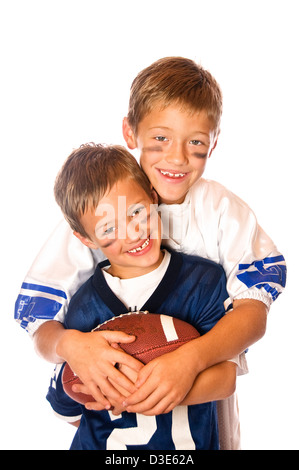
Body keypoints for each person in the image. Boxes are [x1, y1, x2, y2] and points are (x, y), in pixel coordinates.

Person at [15, 57, 286, 449]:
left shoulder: (222, 211)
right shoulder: (98, 205)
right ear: (130, 131)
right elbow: (40, 322)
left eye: (195, 143)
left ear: (214, 141)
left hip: (201, 410)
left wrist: (189, 361)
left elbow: (253, 313)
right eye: (161, 138)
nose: (176, 158)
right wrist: (71, 345)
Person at [46, 143, 243, 450]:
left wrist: (141, 393)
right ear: (86, 238)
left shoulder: (203, 282)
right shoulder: (82, 309)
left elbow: (225, 380)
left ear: (153, 197)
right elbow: (68, 402)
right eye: (109, 228)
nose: (133, 233)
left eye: (136, 211)